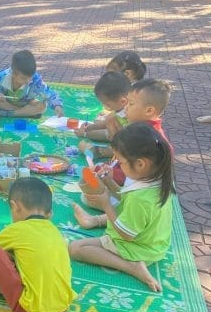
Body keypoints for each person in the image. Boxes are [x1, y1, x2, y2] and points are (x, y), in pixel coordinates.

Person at [70, 123, 174, 292]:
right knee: (122, 211)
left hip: (137, 248)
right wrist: (109, 181)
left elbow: (126, 235)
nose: (118, 164)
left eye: (121, 162)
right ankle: (93, 221)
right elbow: (125, 199)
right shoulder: (155, 179)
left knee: (75, 249)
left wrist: (105, 204)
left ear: (140, 164)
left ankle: (131, 267)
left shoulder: (140, 198)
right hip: (154, 244)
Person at [0, 178, 76, 312]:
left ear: (15, 206)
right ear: (49, 214)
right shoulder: (56, 232)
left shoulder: (17, 229)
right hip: (63, 304)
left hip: (31, 310)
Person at [0, 50, 64, 118]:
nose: (28, 81)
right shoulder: (2, 77)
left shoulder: (35, 80)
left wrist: (57, 106)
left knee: (42, 106)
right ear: (14, 74)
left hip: (24, 104)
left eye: (30, 77)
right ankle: (24, 112)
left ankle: (10, 113)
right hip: (6, 103)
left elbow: (49, 93)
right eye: (24, 78)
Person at [74, 71, 131, 142]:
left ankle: (84, 134)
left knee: (106, 128)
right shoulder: (121, 107)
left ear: (123, 101)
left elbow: (129, 140)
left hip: (126, 141)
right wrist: (90, 127)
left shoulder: (130, 116)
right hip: (120, 132)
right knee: (104, 120)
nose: (104, 107)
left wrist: (112, 146)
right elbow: (105, 123)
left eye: (108, 105)